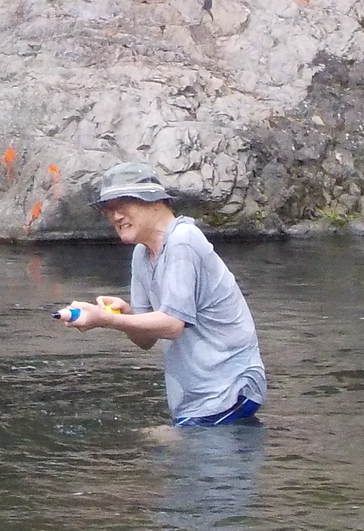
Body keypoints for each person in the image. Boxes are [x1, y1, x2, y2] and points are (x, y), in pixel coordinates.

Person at [61, 162, 267, 426]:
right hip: (198, 402)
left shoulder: (183, 239)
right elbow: (146, 340)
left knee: (157, 447)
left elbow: (171, 325)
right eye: (108, 210)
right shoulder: (141, 254)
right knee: (163, 452)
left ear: (154, 201)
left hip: (232, 389)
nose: (115, 216)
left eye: (122, 205)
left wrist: (105, 320)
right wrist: (125, 315)